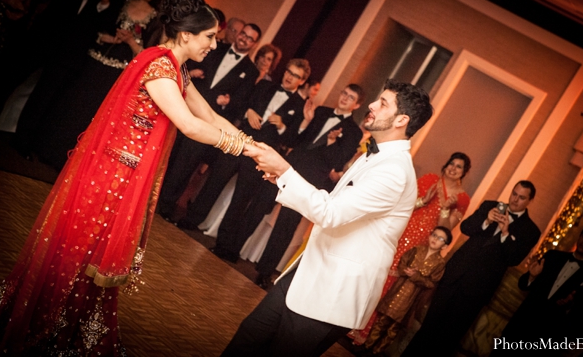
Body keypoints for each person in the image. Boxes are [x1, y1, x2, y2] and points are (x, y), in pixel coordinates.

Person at [0, 0, 254, 355]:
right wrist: (243, 147)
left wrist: (254, 148)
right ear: (186, 34)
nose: (214, 45)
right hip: (112, 174)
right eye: (210, 36)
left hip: (128, 175)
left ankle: (73, 324)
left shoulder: (177, 70)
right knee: (81, 249)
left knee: (95, 254)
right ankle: (47, 323)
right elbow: (190, 126)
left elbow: (209, 116)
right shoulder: (158, 65)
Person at [219, 80, 433, 356]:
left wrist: (285, 171)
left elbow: (331, 214)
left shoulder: (394, 171)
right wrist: (284, 181)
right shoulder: (374, 156)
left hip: (333, 292)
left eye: (383, 103)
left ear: (401, 120)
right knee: (249, 336)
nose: (371, 105)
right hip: (308, 272)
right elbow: (336, 203)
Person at [178, 59, 310, 264]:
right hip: (238, 142)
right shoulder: (265, 85)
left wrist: (283, 126)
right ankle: (190, 220)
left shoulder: (299, 107)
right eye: (288, 71)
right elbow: (239, 104)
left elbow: (292, 140)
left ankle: (223, 245)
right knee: (215, 182)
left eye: (295, 75)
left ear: (302, 81)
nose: (289, 76)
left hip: (260, 156)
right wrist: (247, 111)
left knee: (240, 201)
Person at [31, 0, 165, 171]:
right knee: (72, 103)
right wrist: (109, 38)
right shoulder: (123, 2)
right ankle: (47, 149)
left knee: (93, 112)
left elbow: (147, 54)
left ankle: (70, 162)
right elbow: (99, 28)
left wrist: (130, 41)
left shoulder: (156, 19)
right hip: (94, 62)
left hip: (116, 72)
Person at [402, 180, 542, 356]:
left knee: (448, 337)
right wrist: (486, 220)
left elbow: (514, 259)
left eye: (521, 197)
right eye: (514, 193)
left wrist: (505, 233)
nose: (515, 200)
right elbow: (465, 227)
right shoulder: (491, 206)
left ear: (530, 200)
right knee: (429, 326)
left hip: (478, 288)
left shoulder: (530, 230)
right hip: (455, 275)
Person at [350, 151, 472, 345]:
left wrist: (446, 209)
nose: (453, 168)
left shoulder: (462, 199)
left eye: (459, 167)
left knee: (396, 286)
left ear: (464, 172)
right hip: (404, 232)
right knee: (379, 275)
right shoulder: (429, 179)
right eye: (452, 163)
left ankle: (368, 333)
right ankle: (352, 322)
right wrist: (424, 200)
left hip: (423, 245)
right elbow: (404, 205)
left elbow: (445, 230)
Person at [254, 84, 365, 289]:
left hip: (310, 180)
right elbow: (296, 139)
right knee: (259, 203)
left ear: (356, 105)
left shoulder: (353, 132)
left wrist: (332, 142)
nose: (344, 98)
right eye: (344, 93)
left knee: (286, 226)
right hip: (289, 165)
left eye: (350, 98)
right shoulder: (320, 111)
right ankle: (230, 248)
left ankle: (264, 272)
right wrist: (306, 121)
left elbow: (338, 161)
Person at [156, 22, 261, 220]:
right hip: (184, 106)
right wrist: (192, 74)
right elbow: (187, 66)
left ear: (254, 44)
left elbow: (242, 102)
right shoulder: (214, 48)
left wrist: (229, 102)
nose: (244, 39)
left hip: (209, 120)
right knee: (167, 152)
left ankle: (165, 204)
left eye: (249, 38)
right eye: (243, 34)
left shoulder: (251, 71)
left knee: (186, 164)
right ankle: (149, 194)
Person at [491, 225, 583, 356]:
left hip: (546, 338)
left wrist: (569, 306)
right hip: (520, 326)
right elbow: (522, 284)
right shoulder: (553, 256)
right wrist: (532, 276)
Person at [363, 226, 452, 355]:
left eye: (440, 238)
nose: (435, 239)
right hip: (398, 291)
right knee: (381, 321)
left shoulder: (439, 263)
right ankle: (366, 347)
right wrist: (406, 270)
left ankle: (376, 352)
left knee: (393, 329)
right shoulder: (417, 250)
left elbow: (431, 283)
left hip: (411, 299)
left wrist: (416, 276)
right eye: (434, 235)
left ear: (444, 246)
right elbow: (402, 263)